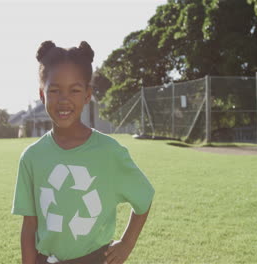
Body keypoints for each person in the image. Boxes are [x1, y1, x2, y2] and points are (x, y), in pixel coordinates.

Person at [11, 40, 155, 264]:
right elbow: (29, 227)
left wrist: (127, 243)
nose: (64, 99)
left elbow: (144, 198)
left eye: (74, 90)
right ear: (42, 95)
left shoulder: (109, 152)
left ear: (88, 95)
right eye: (55, 90)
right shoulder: (32, 157)